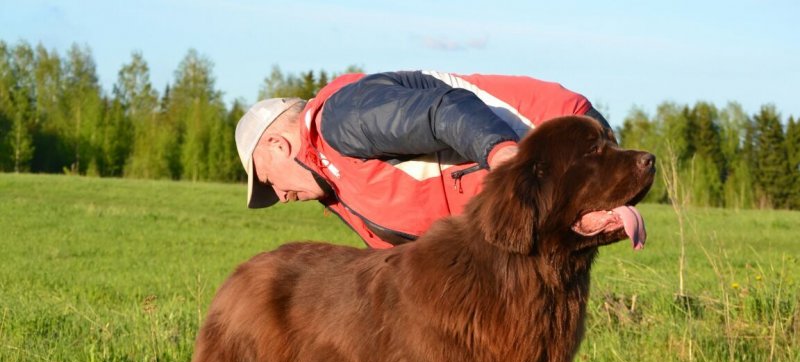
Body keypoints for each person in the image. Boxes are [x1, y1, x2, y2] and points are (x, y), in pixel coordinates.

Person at [235, 70, 611, 248]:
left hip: (556, 137)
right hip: (525, 185)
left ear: (277, 146)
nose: (281, 197)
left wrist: (505, 157)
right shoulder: (340, 189)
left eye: (269, 182)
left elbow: (442, 110)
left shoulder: (342, 118)